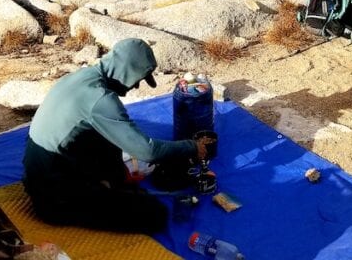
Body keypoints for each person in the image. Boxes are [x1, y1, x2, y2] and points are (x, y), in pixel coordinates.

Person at [23, 38, 211, 234]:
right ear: (127, 70)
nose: (136, 87)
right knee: (155, 215)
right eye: (137, 79)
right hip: (52, 198)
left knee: (108, 137)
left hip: (40, 171)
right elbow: (147, 151)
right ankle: (97, 190)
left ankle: (107, 183)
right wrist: (191, 147)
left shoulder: (82, 77)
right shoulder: (101, 100)